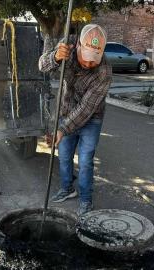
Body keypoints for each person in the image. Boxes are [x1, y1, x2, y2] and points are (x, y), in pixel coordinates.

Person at [39, 24, 112, 215]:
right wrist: (55, 58)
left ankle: (86, 199)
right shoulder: (67, 47)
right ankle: (67, 189)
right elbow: (41, 66)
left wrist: (62, 129)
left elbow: (86, 108)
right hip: (65, 110)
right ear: (78, 45)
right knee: (63, 156)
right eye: (86, 58)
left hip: (92, 118)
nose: (89, 64)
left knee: (86, 160)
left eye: (93, 61)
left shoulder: (104, 71)